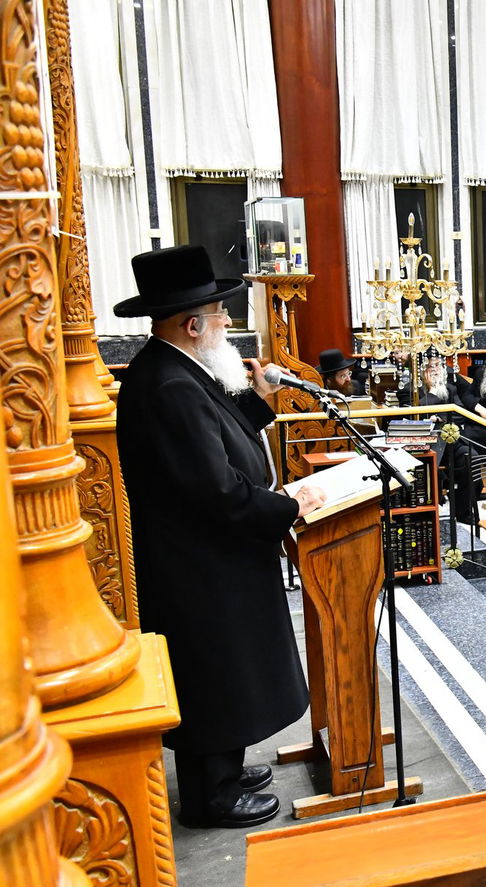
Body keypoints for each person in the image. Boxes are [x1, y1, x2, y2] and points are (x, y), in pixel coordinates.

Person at [114, 245, 327, 829]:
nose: (228, 322)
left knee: (225, 669)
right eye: (220, 313)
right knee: (214, 670)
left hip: (207, 558)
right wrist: (284, 506)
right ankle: (213, 795)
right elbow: (215, 490)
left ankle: (225, 773)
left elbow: (218, 442)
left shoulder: (176, 371)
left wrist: (257, 406)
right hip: (198, 565)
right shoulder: (169, 387)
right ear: (192, 324)